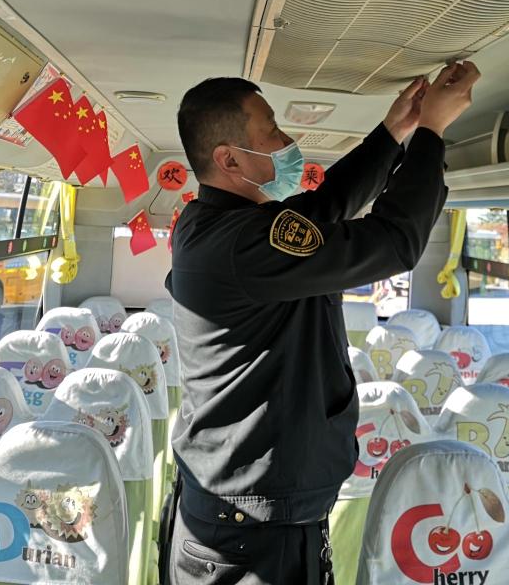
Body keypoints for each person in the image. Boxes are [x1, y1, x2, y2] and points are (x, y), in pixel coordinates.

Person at [167, 62, 480, 583]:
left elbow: (321, 211)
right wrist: (430, 135)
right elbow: (393, 242)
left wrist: (393, 133)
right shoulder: (242, 242)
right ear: (228, 158)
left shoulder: (220, 224)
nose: (286, 140)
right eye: (270, 130)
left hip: (248, 516)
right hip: (251, 535)